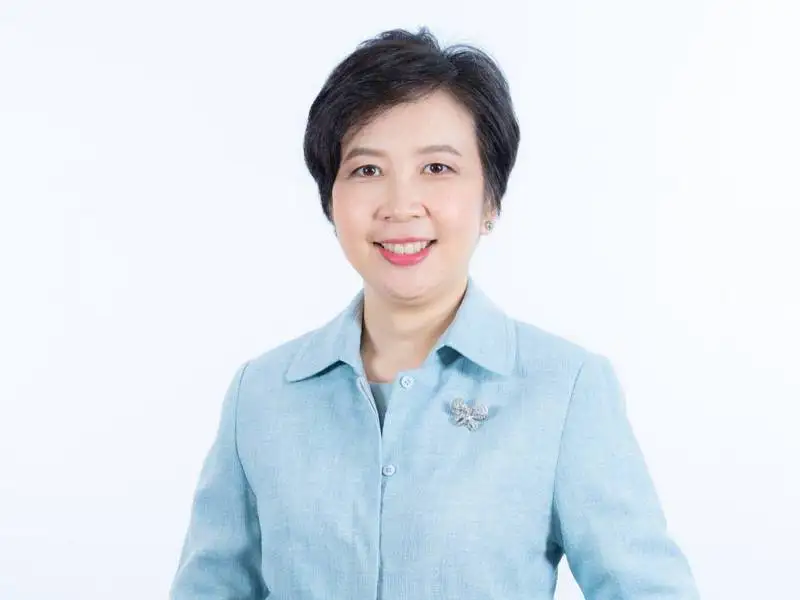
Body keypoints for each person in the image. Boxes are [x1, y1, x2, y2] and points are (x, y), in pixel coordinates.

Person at [169, 27, 700, 600]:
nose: (400, 206)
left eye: (437, 168)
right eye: (366, 170)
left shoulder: (564, 389)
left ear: (490, 199)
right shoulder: (261, 394)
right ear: (330, 201)